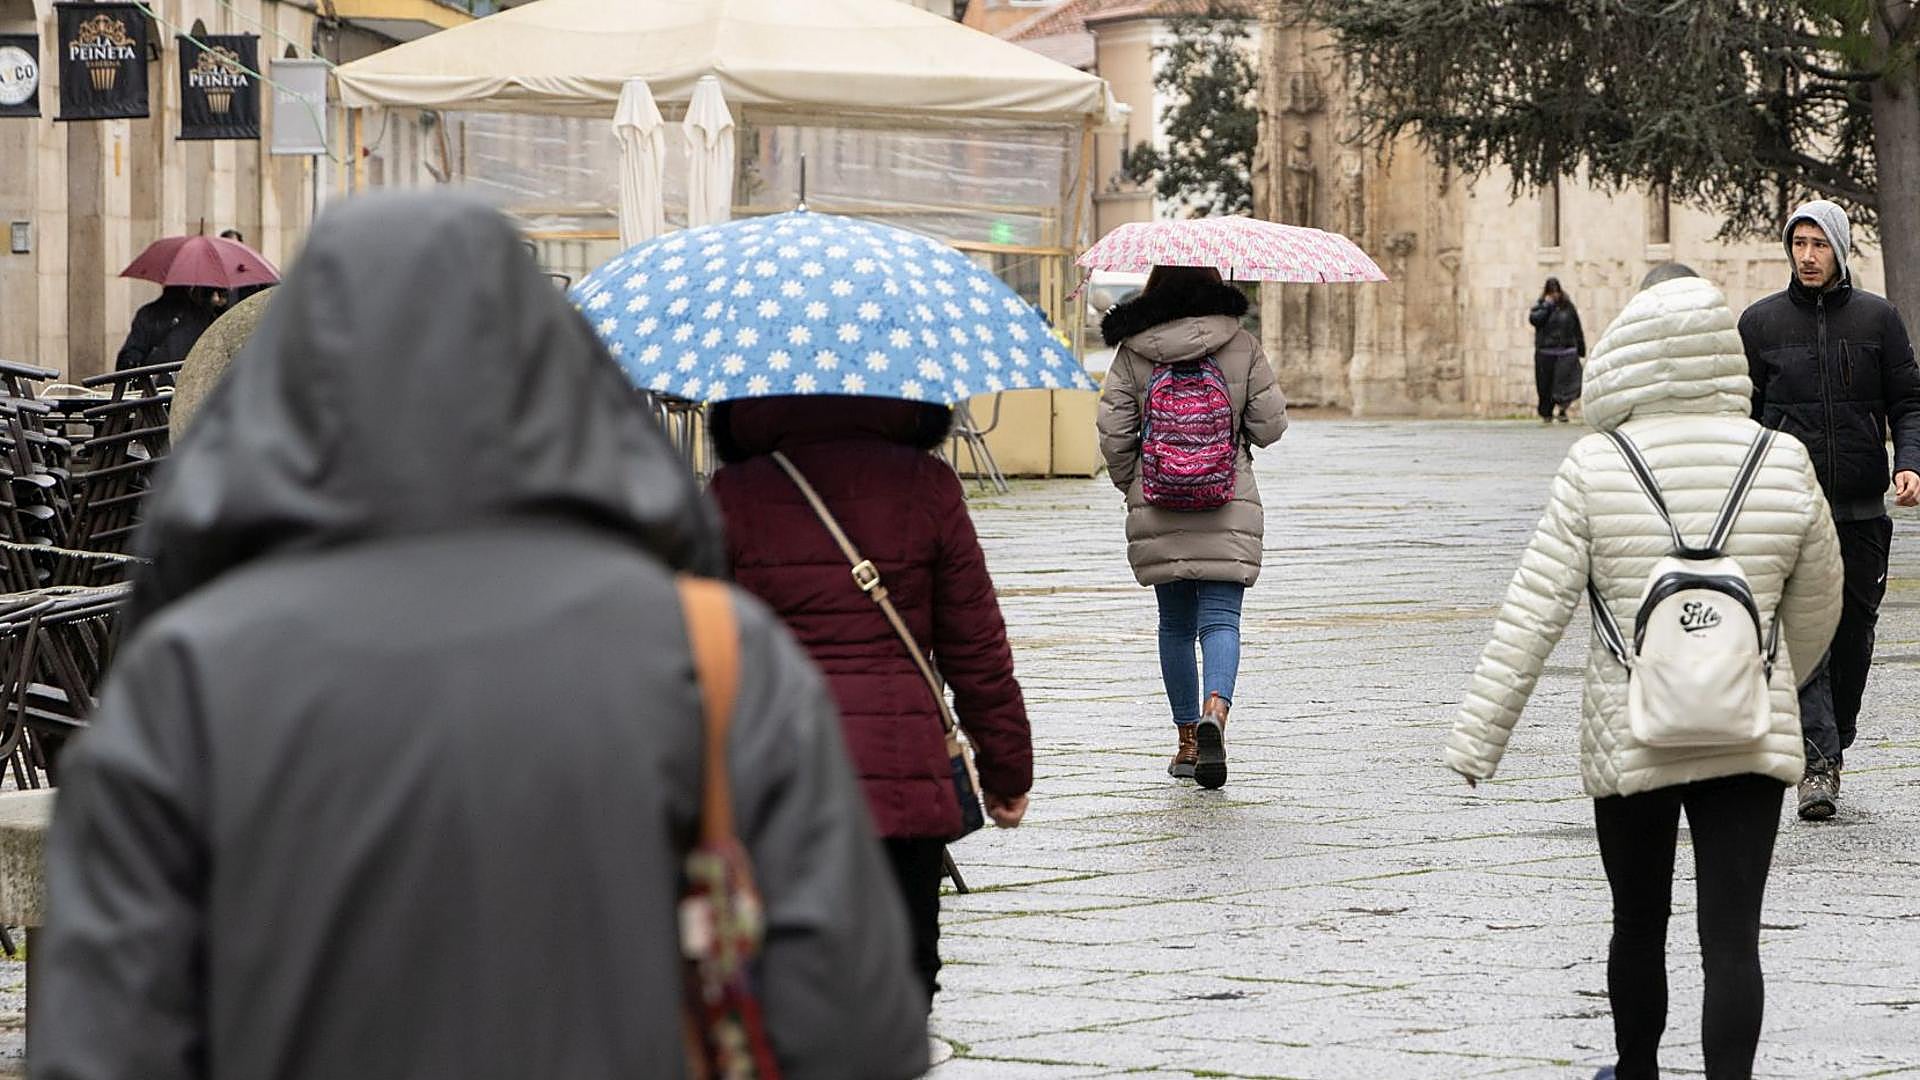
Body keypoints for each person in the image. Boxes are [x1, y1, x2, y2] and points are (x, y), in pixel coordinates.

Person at [33, 193, 931, 1080]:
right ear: (551, 373)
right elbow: (857, 1030)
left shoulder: (186, 683)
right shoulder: (718, 659)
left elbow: (108, 1040)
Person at [1449, 267, 1843, 1080]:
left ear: (1632, 356)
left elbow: (1533, 610)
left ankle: (1636, 1073)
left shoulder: (1595, 465)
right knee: (1733, 937)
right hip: (1747, 730)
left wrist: (1478, 741)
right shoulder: (1782, 457)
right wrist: (1764, 672)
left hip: (1631, 730)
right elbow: (1820, 602)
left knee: (1638, 922)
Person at [706, 396, 1032, 1011]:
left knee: (787, 986)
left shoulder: (734, 492)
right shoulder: (926, 486)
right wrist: (1006, 769)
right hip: (902, 783)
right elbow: (977, 648)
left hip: (777, 782)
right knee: (903, 981)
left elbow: (696, 646)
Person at [1740, 199, 1920, 821]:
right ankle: (1817, 765)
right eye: (1799, 244)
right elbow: (1744, 412)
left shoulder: (1877, 320)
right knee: (1804, 635)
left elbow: (1908, 401)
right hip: (1790, 508)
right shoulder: (1760, 324)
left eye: (1819, 245)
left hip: (1864, 507)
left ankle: (1833, 739)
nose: (1808, 256)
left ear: (1838, 250)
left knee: (1854, 634)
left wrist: (1911, 461)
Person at [1095, 266, 1289, 789]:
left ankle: (1185, 741)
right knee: (1221, 620)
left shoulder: (1134, 348)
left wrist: (1132, 484)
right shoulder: (1240, 341)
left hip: (1157, 499)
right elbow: (1271, 426)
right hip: (1227, 498)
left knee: (1175, 626)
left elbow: (1114, 432)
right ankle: (1215, 715)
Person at [114, 285, 223, 372]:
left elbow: (130, 355)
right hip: (190, 387)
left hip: (153, 390)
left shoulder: (146, 313)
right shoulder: (203, 316)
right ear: (190, 287)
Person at [1530, 276, 1587, 423]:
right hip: (1545, 352)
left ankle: (1563, 408)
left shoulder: (1568, 307)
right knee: (1545, 387)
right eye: (1551, 292)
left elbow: (1576, 327)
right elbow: (1535, 320)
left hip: (1566, 352)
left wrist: (1580, 348)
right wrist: (1547, 307)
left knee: (1567, 385)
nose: (1555, 295)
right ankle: (1546, 413)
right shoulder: (1541, 306)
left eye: (1556, 291)